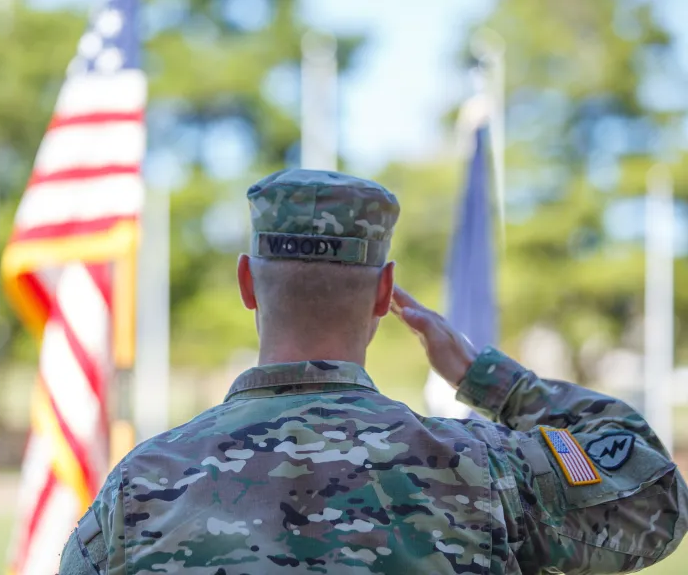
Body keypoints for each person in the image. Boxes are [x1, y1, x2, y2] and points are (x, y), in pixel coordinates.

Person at [59, 169, 687, 575]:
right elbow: (656, 494)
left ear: (247, 283)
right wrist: (494, 381)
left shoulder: (141, 486)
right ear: (386, 293)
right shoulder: (485, 466)